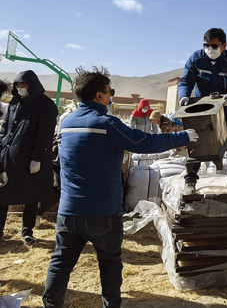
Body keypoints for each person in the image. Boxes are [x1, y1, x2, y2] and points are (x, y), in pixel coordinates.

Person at [42, 66, 198, 308]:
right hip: (102, 211)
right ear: (99, 96)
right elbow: (143, 142)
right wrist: (183, 136)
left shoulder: (67, 122)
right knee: (110, 263)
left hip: (69, 211)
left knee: (60, 264)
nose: (111, 96)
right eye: (110, 92)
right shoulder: (106, 123)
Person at [178, 28, 227, 193]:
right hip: (200, 112)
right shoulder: (196, 59)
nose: (210, 49)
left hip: (226, 111)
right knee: (195, 144)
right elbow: (186, 81)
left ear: (224, 46)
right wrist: (184, 96)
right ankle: (190, 180)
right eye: (206, 45)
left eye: (214, 46)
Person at [0, 71, 58, 244]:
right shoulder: (14, 102)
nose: (20, 89)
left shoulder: (46, 105)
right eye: (17, 86)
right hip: (9, 157)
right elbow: (5, 128)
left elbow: (45, 134)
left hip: (31, 159)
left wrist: (38, 158)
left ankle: (27, 231)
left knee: (31, 196)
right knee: (3, 195)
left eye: (23, 85)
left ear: (32, 86)